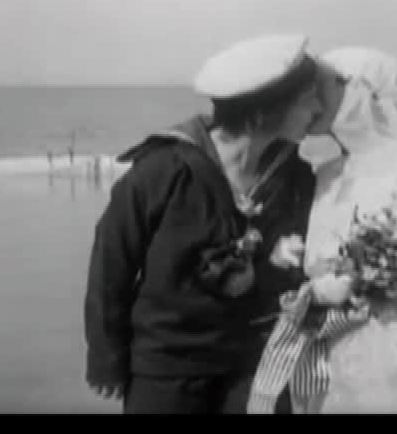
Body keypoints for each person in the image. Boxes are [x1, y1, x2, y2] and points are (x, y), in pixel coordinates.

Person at [84, 34, 342, 414]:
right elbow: (112, 264)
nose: (318, 109)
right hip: (166, 369)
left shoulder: (295, 177)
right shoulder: (163, 171)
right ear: (266, 109)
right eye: (308, 99)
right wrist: (106, 358)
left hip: (258, 363)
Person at [248, 47, 397, 413]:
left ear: (362, 92)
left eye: (323, 85)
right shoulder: (326, 173)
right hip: (332, 346)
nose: (310, 98)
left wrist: (364, 279)